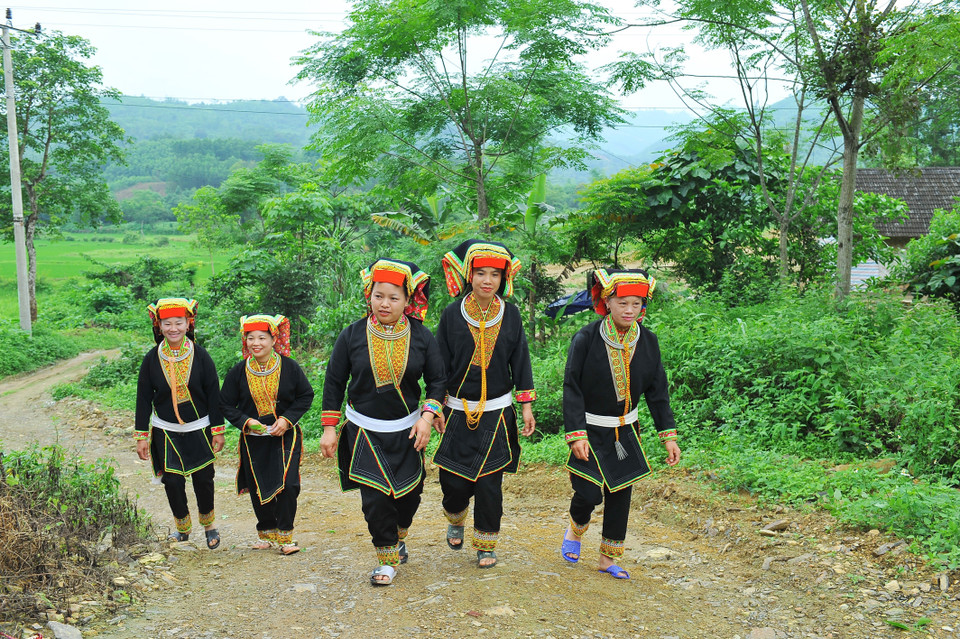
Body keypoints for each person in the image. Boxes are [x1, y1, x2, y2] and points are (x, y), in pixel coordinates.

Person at [319, 259, 445, 586]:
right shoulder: (351, 336)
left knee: (410, 496)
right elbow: (334, 383)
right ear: (368, 295)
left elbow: (437, 381)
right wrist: (330, 429)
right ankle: (386, 558)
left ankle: (399, 533)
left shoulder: (421, 337)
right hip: (364, 432)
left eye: (393, 297)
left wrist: (428, 416)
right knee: (375, 499)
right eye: (378, 296)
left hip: (407, 432)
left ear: (408, 300)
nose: (384, 303)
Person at [560, 269, 681, 580]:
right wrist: (576, 434)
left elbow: (658, 393)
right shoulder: (586, 338)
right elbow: (571, 386)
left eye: (636, 305)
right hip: (589, 429)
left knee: (620, 495)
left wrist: (668, 436)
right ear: (607, 302)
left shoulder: (649, 342)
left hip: (626, 431)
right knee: (588, 493)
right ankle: (576, 528)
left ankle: (607, 558)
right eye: (623, 303)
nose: (629, 311)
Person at [432, 239, 536, 569]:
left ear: (503, 279)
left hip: (496, 412)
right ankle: (456, 515)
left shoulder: (511, 314)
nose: (487, 281)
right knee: (454, 482)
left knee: (491, 482)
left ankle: (486, 542)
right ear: (469, 275)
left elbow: (521, 360)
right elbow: (438, 365)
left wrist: (526, 405)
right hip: (457, 412)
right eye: (480, 273)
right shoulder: (451, 314)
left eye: (494, 274)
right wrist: (435, 405)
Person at [220, 314, 314, 555]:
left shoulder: (290, 367)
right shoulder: (239, 371)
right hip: (253, 440)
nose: (256, 343)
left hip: (286, 436)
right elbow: (226, 403)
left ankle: (286, 536)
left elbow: (305, 396)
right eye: (250, 338)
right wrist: (246, 421)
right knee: (258, 483)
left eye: (262, 337)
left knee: (289, 484)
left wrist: (287, 419)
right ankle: (265, 531)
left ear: (274, 339)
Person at [135, 298, 225, 549]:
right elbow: (143, 398)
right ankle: (182, 528)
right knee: (172, 481)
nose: (173, 328)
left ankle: (209, 525)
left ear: (188, 324)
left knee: (204, 478)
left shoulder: (201, 355)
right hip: (166, 429)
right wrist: (141, 435)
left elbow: (213, 394)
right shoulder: (152, 359)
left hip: (199, 427)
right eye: (167, 323)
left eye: (179, 323)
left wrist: (217, 430)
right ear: (159, 326)